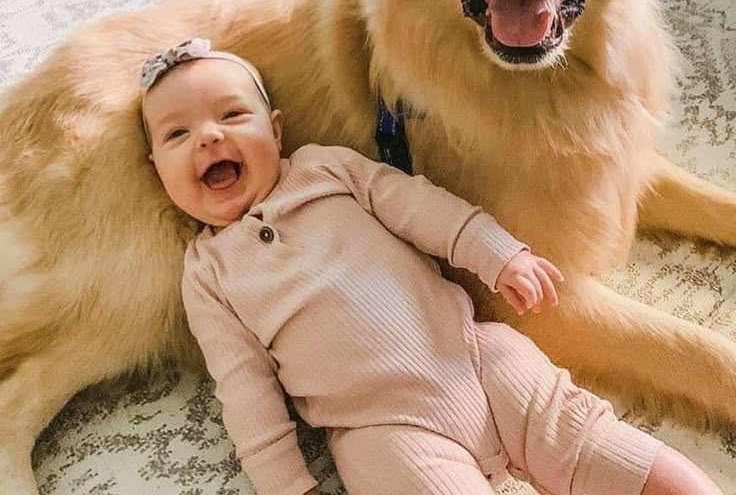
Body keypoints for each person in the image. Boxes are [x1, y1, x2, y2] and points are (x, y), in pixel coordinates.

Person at [140, 38, 722, 495]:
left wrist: (499, 255)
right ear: (156, 171)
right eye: (177, 133)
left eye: (233, 114)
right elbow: (244, 391)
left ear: (277, 129)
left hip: (474, 354)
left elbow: (421, 207)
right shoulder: (208, 275)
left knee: (593, 444)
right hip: (384, 430)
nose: (209, 137)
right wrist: (287, 487)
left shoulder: (327, 171)